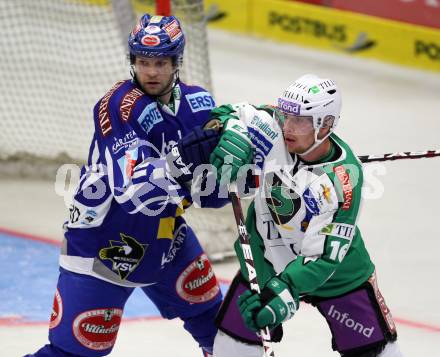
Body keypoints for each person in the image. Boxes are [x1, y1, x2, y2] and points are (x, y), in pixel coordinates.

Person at [25, 13, 227, 357]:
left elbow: (211, 197)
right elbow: (135, 192)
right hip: (104, 245)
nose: (150, 71)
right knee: (72, 354)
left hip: (166, 237)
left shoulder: (201, 104)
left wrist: (235, 168)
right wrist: (182, 159)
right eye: (142, 61)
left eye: (160, 62)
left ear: (177, 62)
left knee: (219, 328)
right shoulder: (118, 105)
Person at [204, 74, 403, 356]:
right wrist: (231, 131)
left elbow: (322, 257)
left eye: (300, 120)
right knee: (229, 346)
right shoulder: (273, 129)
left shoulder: (344, 181)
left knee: (378, 352)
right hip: (267, 260)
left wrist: (283, 292)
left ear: (327, 126)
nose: (288, 126)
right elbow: (227, 113)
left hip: (338, 276)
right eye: (286, 116)